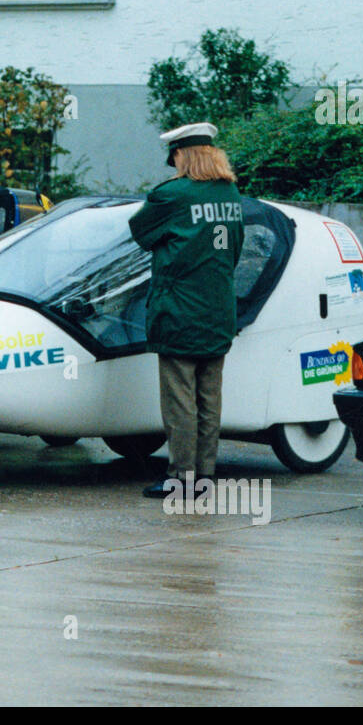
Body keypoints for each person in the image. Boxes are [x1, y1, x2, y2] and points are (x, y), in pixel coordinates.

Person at [128, 122, 244, 499]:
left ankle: (181, 476)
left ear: (182, 155)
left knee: (180, 402)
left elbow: (141, 233)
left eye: (174, 157)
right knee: (210, 400)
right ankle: (205, 476)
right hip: (219, 311)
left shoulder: (172, 196)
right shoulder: (230, 192)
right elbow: (235, 251)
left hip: (178, 311)